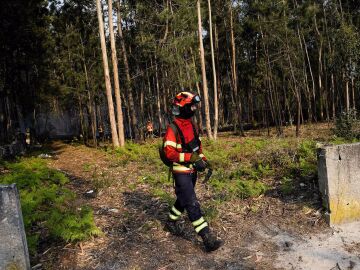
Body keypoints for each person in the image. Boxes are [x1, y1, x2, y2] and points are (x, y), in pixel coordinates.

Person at [162, 91, 223, 252]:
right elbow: (169, 153)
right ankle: (207, 237)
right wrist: (191, 158)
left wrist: (203, 160)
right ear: (183, 107)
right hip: (181, 172)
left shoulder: (192, 125)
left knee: (183, 199)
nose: (195, 108)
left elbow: (197, 148)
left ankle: (170, 222)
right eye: (192, 106)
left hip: (192, 172)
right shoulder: (173, 128)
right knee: (191, 203)